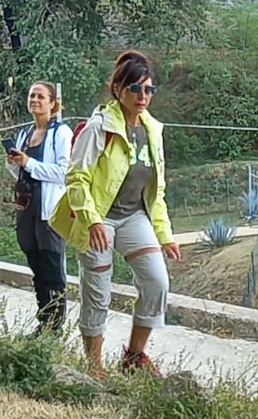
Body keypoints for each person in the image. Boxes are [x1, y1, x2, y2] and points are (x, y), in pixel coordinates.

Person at [52, 50, 181, 376]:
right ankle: (93, 367)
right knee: (98, 292)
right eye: (135, 89)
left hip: (133, 216)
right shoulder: (100, 127)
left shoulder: (153, 131)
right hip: (99, 217)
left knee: (156, 281)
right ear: (118, 89)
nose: (143, 97)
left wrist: (165, 235)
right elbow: (76, 178)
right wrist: (91, 219)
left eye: (149, 89)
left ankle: (134, 356)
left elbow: (157, 190)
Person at [7, 80, 72, 333]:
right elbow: (20, 172)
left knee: (52, 266)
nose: (34, 100)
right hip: (27, 206)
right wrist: (14, 162)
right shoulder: (25, 133)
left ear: (52, 103)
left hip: (49, 210)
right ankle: (43, 321)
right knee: (36, 265)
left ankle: (55, 327)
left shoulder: (61, 133)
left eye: (40, 97)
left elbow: (64, 173)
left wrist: (29, 163)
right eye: (31, 95)